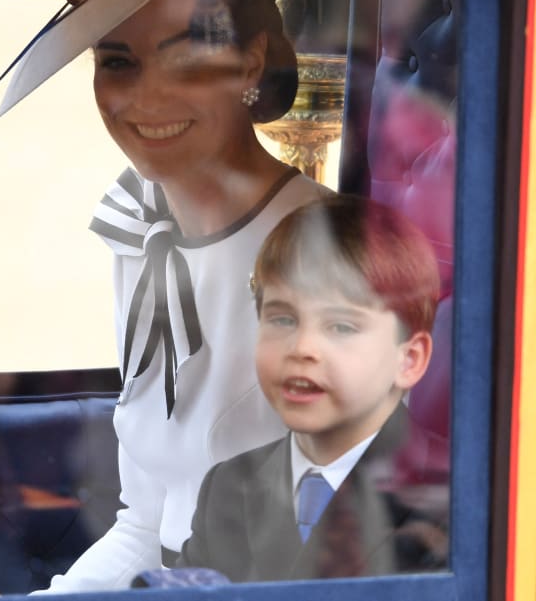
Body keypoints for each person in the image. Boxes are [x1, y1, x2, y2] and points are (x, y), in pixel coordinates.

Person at [0, 0, 328, 595]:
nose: (146, 99)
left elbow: (326, 558)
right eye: (118, 61)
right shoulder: (140, 225)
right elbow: (144, 524)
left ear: (248, 64)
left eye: (186, 59)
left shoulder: (325, 256)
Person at [175, 194, 449, 581]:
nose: (302, 348)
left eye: (341, 327)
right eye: (283, 319)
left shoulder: (448, 496)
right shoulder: (229, 484)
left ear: (409, 359)